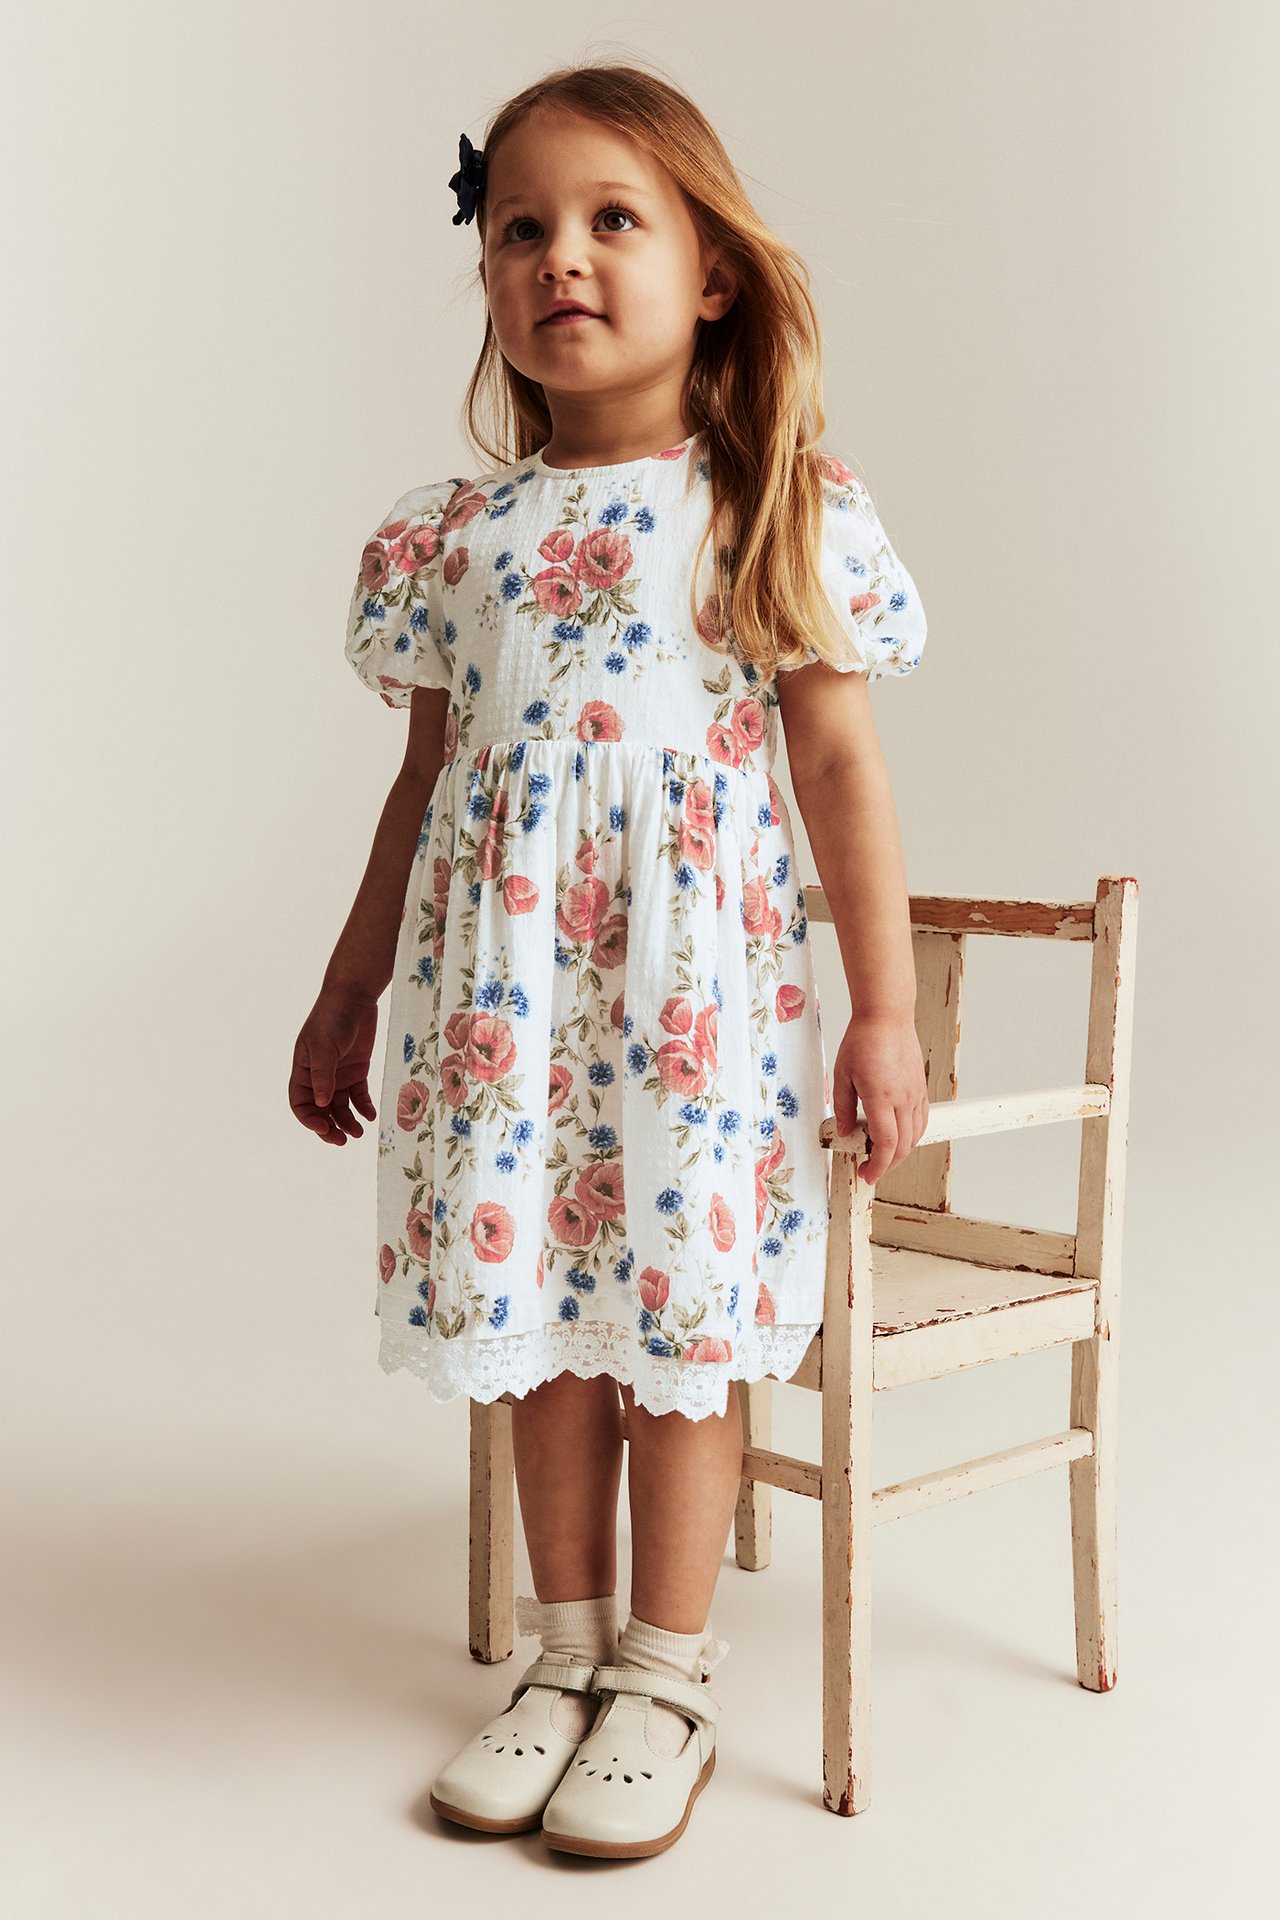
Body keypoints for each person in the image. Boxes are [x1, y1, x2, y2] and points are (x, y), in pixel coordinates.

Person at [289, 62, 930, 1861]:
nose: (559, 257)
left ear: (712, 274)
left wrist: (884, 1008)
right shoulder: (453, 537)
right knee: (541, 1330)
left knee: (676, 1333)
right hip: (503, 1022)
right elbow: (422, 787)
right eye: (521, 229)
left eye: (610, 220)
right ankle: (564, 1654)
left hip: (692, 1016)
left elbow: (838, 768)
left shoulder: (770, 505)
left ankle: (665, 1674)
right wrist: (349, 989)